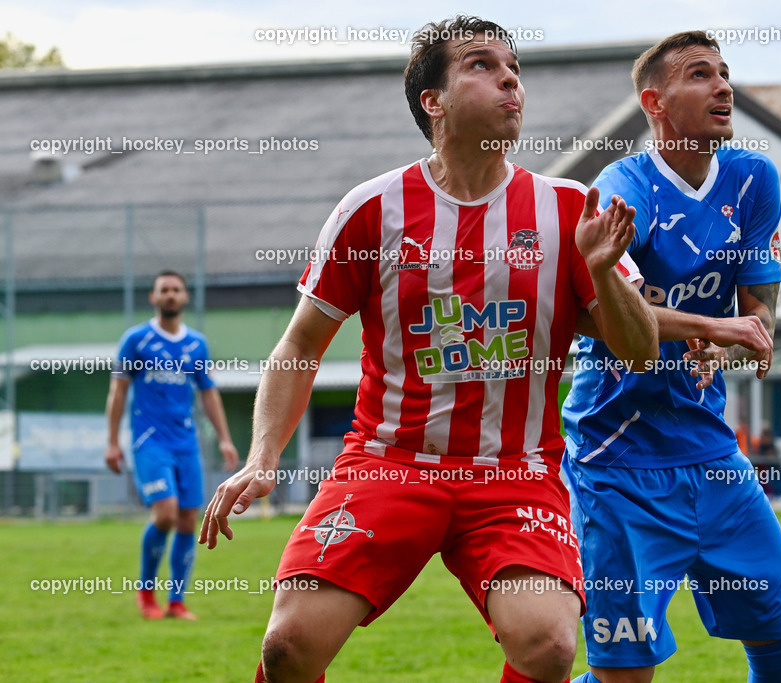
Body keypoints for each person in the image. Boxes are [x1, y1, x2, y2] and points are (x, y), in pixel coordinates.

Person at [200, 15, 659, 683]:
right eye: (482, 65)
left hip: (515, 471)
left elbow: (641, 351)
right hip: (388, 463)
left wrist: (602, 272)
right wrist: (263, 457)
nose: (510, 80)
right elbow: (300, 343)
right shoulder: (371, 209)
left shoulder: (569, 209)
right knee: (289, 646)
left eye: (514, 69)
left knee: (549, 645)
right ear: (433, 101)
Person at [561, 31, 781, 683]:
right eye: (700, 75)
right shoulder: (623, 187)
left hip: (712, 453)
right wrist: (711, 325)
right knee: (625, 675)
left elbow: (758, 315)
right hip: (617, 460)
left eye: (725, 73)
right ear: (656, 102)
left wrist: (732, 339)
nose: (723, 86)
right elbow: (619, 321)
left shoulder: (753, 178)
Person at [105, 270, 239, 620]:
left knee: (187, 520)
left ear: (185, 297)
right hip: (149, 441)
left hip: (186, 444)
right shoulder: (136, 340)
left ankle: (177, 601)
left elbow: (209, 393)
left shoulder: (197, 344)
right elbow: (118, 390)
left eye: (176, 289)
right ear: (153, 297)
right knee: (165, 514)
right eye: (164, 290)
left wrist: (225, 439)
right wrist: (112, 442)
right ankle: (146, 594)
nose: (170, 295)